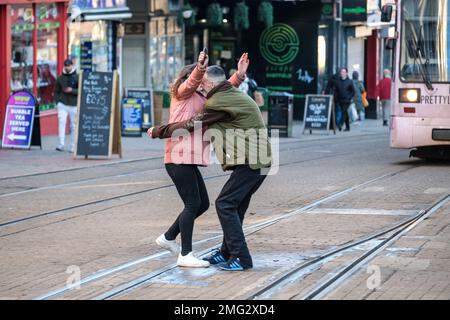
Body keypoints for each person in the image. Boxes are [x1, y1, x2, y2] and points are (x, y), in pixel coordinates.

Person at [150, 65, 271, 271]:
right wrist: (239, 76)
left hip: (252, 160)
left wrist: (158, 131)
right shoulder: (224, 94)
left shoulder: (217, 100)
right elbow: (214, 84)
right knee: (234, 206)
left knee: (224, 204)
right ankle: (227, 252)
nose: (201, 84)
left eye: (203, 82)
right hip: (257, 159)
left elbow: (190, 124)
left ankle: (241, 258)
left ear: (209, 83)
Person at [54, 58, 78, 152]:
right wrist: (57, 102)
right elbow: (56, 91)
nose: (67, 67)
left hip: (74, 104)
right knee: (61, 122)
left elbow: (81, 90)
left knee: (73, 125)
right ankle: (61, 144)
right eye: (66, 66)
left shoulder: (77, 77)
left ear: (72, 65)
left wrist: (72, 90)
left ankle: (72, 146)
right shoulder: (60, 78)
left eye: (69, 65)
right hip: (62, 104)